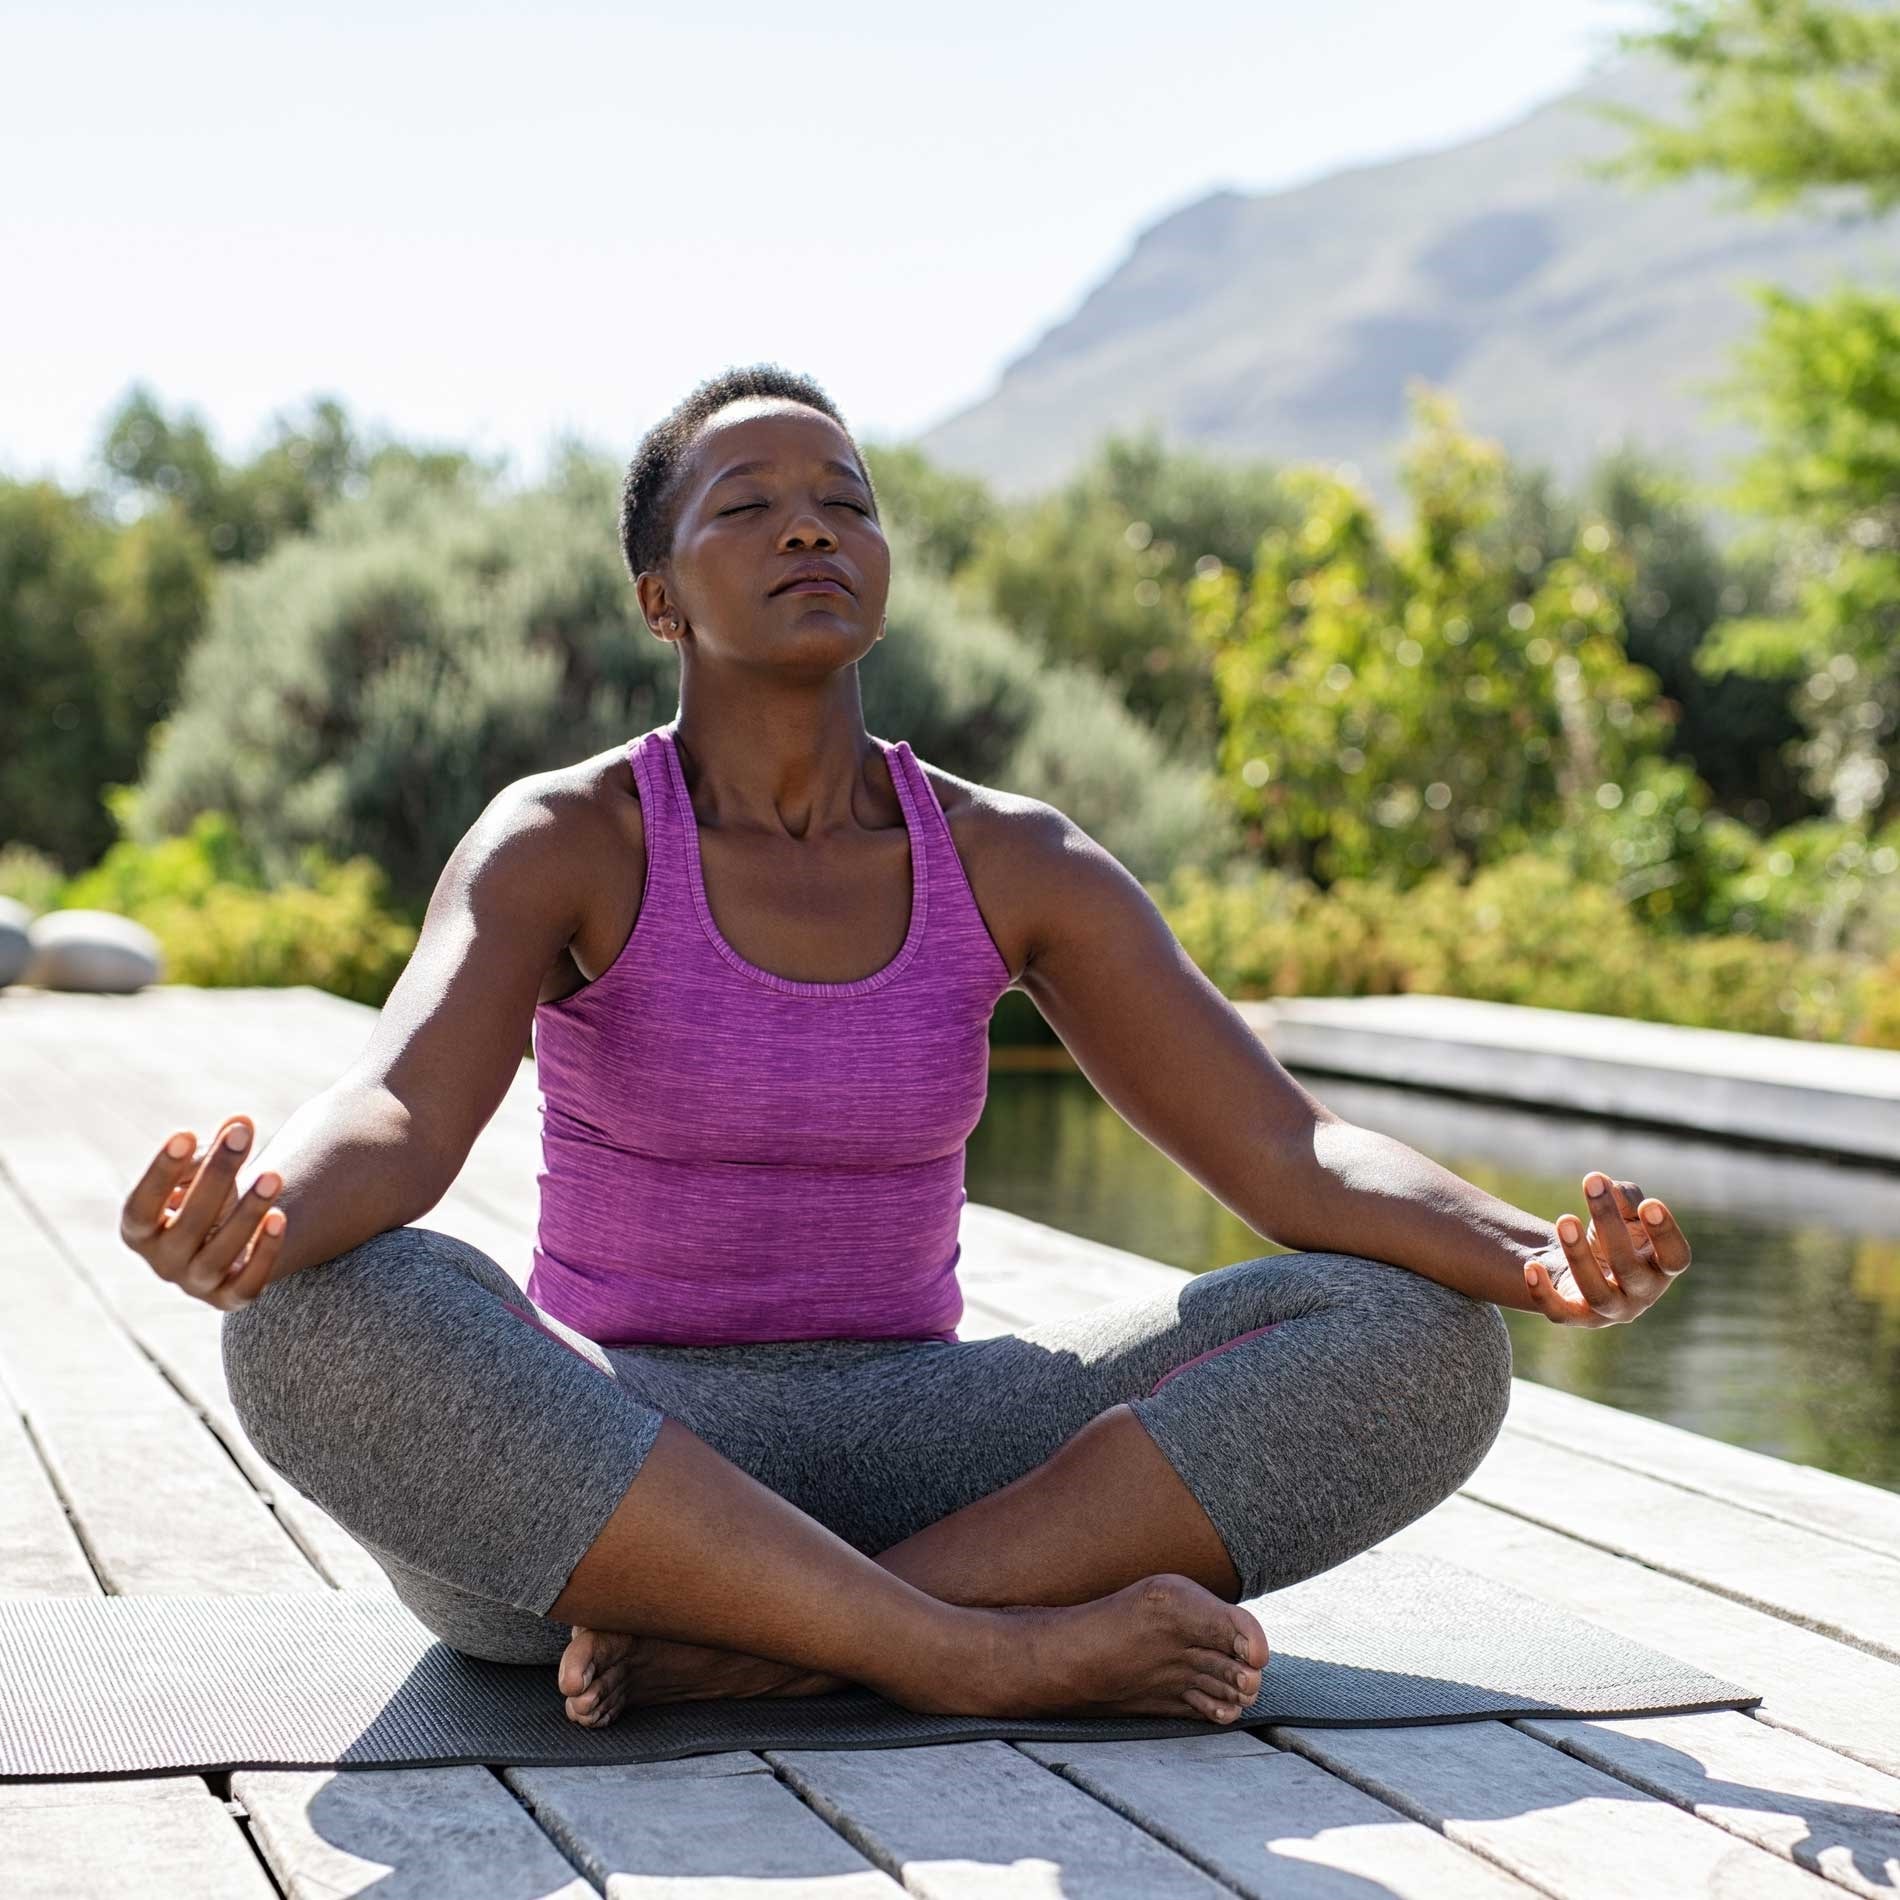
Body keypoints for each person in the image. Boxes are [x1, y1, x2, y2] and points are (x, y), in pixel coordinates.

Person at [117, 365, 1695, 1732]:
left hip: (939, 1457)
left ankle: (784, 1654)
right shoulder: (567, 838)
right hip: (611, 1485)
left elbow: (1285, 1151)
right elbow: (397, 1104)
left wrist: (1529, 1256)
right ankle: (961, 1657)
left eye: (845, 499)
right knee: (317, 1317)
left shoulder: (1016, 861)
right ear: (659, 597)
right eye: (746, 504)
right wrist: (265, 1224)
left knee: (1416, 1341)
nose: (810, 524)